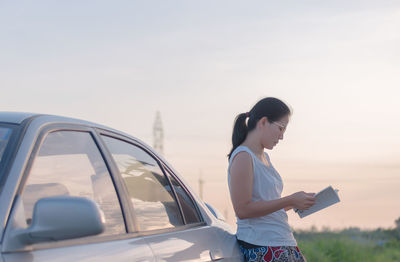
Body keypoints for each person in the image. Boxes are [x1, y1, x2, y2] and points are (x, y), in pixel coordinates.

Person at [227, 97, 315, 262]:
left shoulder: (264, 156)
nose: (281, 137)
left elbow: (266, 204)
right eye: (280, 128)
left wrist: (296, 202)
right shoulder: (244, 156)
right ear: (263, 122)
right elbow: (243, 210)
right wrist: (289, 199)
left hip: (282, 241)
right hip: (263, 245)